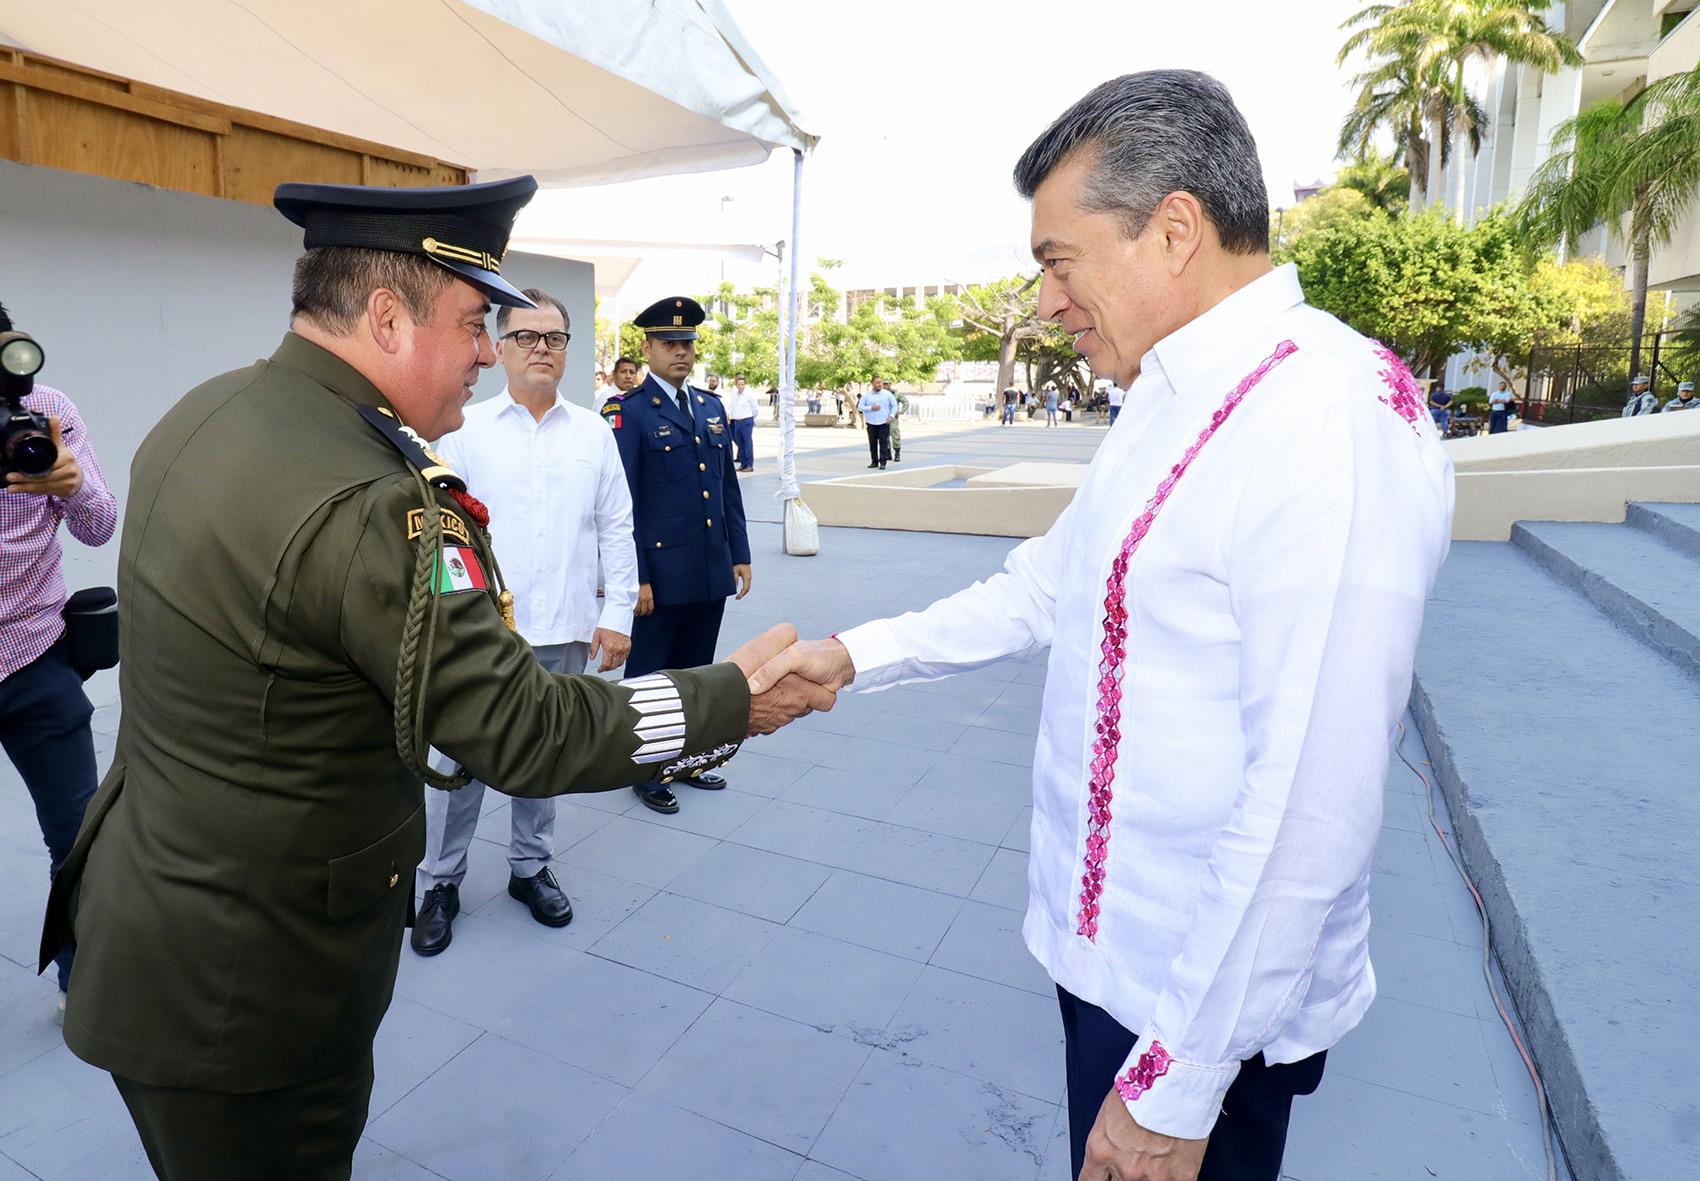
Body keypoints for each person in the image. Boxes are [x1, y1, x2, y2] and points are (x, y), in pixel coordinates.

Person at [38, 179, 830, 1180]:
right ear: (384, 315)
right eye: (471, 321)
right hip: (255, 990)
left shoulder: (208, 411)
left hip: (154, 922)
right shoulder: (376, 502)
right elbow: (524, 730)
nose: (490, 351)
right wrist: (731, 701)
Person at [748, 70, 1454, 1181]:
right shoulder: (1170, 392)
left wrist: (1172, 1088)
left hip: (1200, 1011)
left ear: (1173, 229)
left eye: (1056, 260)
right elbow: (1052, 582)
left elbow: (1308, 805)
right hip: (1110, 961)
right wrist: (852, 656)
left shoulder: (1324, 418)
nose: (1045, 303)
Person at [411, 287, 639, 958]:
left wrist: (617, 611)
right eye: (527, 336)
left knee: (546, 753)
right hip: (480, 635)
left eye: (556, 338)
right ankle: (440, 881)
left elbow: (616, 527)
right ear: (500, 348)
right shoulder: (464, 429)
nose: (543, 348)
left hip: (565, 626)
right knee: (460, 761)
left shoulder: (594, 432)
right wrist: (446, 623)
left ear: (568, 350)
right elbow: (440, 536)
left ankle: (529, 866)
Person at [0, 299, 118, 1021]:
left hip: (37, 657)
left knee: (80, 835)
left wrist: (71, 485)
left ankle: (90, 978)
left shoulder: (45, 411)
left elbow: (102, 526)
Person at [601, 296, 754, 815]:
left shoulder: (710, 407)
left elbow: (726, 486)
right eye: (670, 344)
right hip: (661, 575)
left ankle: (686, 760)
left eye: (687, 344)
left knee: (696, 671)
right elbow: (625, 503)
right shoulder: (630, 413)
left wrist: (740, 552)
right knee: (649, 676)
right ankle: (642, 769)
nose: (681, 353)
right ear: (647, 349)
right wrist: (637, 578)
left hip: (709, 567)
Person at [722, 371, 759, 472]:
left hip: (746, 420)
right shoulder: (735, 395)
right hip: (737, 421)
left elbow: (755, 409)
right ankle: (743, 464)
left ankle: (750, 465)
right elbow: (731, 406)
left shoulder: (749, 394)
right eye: (739, 384)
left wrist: (750, 418)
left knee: (747, 443)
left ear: (745, 384)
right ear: (736, 385)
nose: (741, 386)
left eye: (742, 384)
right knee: (740, 443)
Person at [859, 377, 899, 469]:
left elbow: (894, 406)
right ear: (872, 383)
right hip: (871, 422)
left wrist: (891, 416)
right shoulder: (867, 395)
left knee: (883, 442)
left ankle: (883, 462)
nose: (879, 384)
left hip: (884, 422)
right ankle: (874, 461)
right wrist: (870, 408)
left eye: (880, 382)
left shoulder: (887, 394)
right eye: (877, 383)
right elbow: (860, 407)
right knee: (872, 443)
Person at [887, 378, 911, 462]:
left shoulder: (896, 393)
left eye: (887, 384)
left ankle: (897, 453)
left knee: (894, 434)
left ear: (890, 384)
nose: (885, 386)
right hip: (883, 417)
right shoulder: (880, 394)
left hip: (893, 417)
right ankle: (887, 454)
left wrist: (902, 411)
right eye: (884, 384)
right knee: (884, 436)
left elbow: (906, 402)